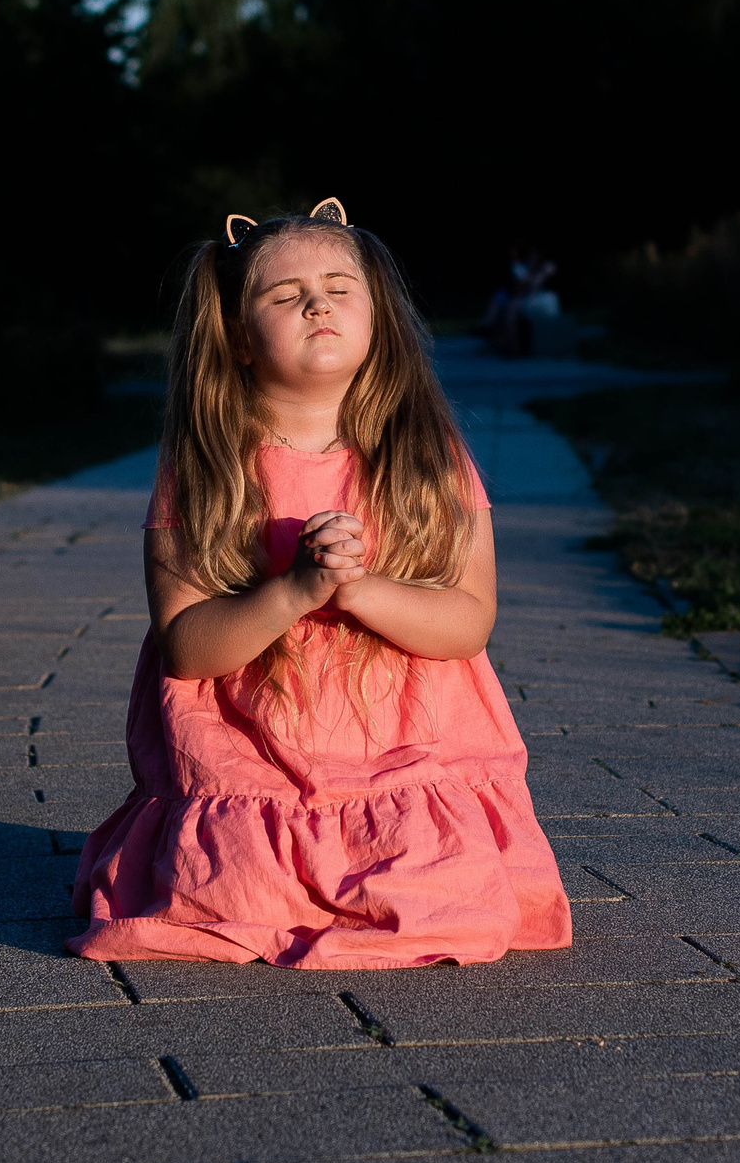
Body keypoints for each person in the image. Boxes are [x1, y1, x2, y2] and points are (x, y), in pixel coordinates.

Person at [68, 200, 573, 968]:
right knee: (231, 897)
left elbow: (469, 622)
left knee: (441, 892)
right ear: (239, 336)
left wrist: (359, 589)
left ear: (378, 316)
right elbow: (186, 647)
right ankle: (278, 874)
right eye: (285, 294)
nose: (318, 303)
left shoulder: (428, 454)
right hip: (254, 766)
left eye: (341, 286)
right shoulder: (203, 467)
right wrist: (296, 590)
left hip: (407, 758)